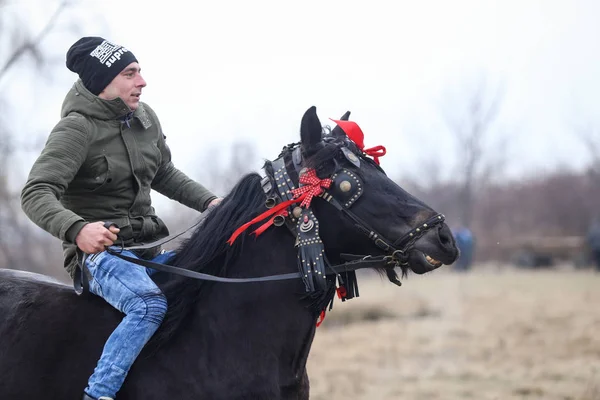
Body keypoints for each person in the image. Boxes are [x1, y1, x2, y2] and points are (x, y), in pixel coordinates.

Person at [20, 36, 222, 400]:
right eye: (130, 74)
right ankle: (98, 393)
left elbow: (163, 173)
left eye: (139, 72)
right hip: (100, 258)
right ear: (103, 82)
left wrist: (211, 203)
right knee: (148, 305)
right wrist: (77, 229)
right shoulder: (76, 130)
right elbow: (35, 193)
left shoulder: (145, 119)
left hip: (147, 249)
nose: (141, 82)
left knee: (211, 283)